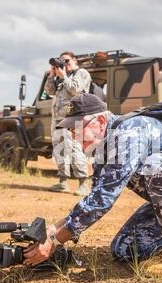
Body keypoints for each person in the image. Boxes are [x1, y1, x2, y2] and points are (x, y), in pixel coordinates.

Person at [23, 93, 162, 275]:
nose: (75, 137)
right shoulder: (103, 151)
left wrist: (56, 241)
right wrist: (54, 229)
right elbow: (95, 198)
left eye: (78, 128)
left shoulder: (129, 132)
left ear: (101, 120)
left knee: (157, 166)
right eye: (71, 131)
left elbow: (103, 201)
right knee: (125, 249)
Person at [44, 51, 91, 196]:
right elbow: (49, 91)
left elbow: (76, 90)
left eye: (67, 60)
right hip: (58, 119)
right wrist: (52, 75)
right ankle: (63, 182)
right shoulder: (60, 77)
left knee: (75, 150)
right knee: (59, 151)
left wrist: (64, 76)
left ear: (75, 60)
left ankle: (84, 184)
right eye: (62, 61)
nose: (64, 64)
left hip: (74, 118)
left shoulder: (81, 73)